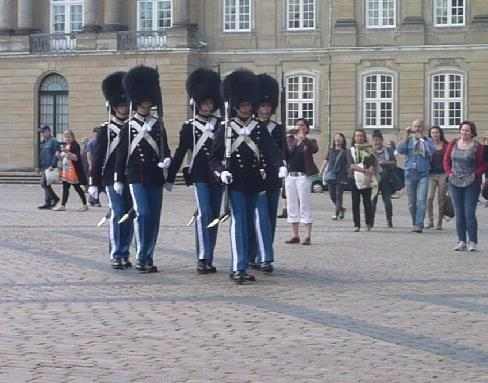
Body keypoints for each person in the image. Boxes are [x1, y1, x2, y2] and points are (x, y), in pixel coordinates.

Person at [210, 69, 281, 284]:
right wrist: (221, 172)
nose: (246, 109)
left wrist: (281, 165)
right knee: (239, 223)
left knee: (249, 223)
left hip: (255, 181)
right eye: (243, 105)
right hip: (236, 181)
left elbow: (272, 152)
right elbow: (214, 158)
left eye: (249, 105)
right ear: (236, 105)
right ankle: (238, 267)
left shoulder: (258, 128)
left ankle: (244, 263)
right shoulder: (226, 129)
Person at [115, 65, 172, 273]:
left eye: (149, 101)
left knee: (154, 218)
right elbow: (121, 154)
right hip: (135, 175)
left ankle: (148, 255)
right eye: (144, 101)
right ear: (137, 102)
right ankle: (140, 255)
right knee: (143, 213)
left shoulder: (158, 124)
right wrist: (118, 178)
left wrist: (167, 160)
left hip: (155, 175)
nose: (147, 104)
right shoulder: (128, 127)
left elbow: (166, 149)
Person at [167, 68, 223, 275]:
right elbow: (181, 152)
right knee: (204, 213)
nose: (207, 107)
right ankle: (202, 256)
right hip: (199, 174)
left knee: (214, 216)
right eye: (204, 103)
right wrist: (170, 177)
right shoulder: (189, 127)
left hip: (217, 175)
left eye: (210, 103)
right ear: (197, 104)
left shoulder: (221, 125)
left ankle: (209, 256)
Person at [89, 71, 133, 270]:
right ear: (113, 107)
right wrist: (93, 182)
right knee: (117, 213)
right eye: (120, 106)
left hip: (131, 176)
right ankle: (116, 253)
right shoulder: (106, 130)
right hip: (110, 178)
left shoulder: (134, 127)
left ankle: (125, 251)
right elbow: (98, 159)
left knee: (130, 214)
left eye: (125, 105)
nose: (123, 109)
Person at [249, 73, 287, 273]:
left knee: (270, 219)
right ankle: (262, 256)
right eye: (262, 106)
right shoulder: (251, 128)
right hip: (255, 178)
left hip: (273, 178)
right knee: (260, 217)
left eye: (268, 106)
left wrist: (283, 166)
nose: (265, 109)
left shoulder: (277, 128)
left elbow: (282, 152)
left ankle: (260, 253)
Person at [444, 121, 488, 252]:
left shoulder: (478, 147)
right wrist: (449, 173)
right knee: (459, 213)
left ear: (472, 132)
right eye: (463, 130)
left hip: (471, 182)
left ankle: (472, 241)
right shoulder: (453, 144)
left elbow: (484, 164)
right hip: (454, 181)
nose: (464, 133)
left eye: (467, 131)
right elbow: (446, 160)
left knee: (469, 213)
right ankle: (461, 240)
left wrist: (476, 174)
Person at [397, 120, 435, 233]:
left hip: (423, 173)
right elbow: (400, 150)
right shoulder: (408, 140)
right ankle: (414, 222)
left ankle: (419, 224)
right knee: (411, 202)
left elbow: (431, 151)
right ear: (412, 128)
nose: (417, 128)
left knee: (421, 200)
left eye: (419, 127)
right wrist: (406, 135)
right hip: (410, 174)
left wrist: (422, 139)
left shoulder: (428, 140)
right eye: (415, 126)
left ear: (423, 128)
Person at [284, 118, 319, 245]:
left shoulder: (310, 141)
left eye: (302, 125)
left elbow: (315, 149)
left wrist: (304, 139)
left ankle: (307, 235)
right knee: (291, 204)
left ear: (306, 128)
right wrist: (292, 139)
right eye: (298, 125)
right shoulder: (291, 141)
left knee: (305, 203)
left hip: (303, 176)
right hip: (290, 175)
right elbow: (286, 155)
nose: (299, 127)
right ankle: (295, 234)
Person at [53, 130, 89, 211]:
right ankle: (63, 205)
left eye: (69, 137)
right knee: (65, 188)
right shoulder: (67, 145)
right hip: (66, 170)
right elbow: (63, 157)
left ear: (72, 137)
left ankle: (85, 204)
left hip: (73, 171)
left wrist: (67, 152)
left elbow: (76, 158)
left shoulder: (75, 145)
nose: (67, 138)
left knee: (77, 188)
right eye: (65, 137)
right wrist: (58, 156)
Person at [349, 129, 376, 232]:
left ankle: (368, 223)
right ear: (354, 138)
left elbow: (372, 163)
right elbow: (351, 165)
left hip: (366, 179)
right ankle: (356, 224)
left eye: (361, 136)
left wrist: (370, 172)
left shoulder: (368, 150)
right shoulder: (350, 150)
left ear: (364, 137)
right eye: (357, 136)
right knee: (355, 202)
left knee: (367, 202)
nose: (359, 138)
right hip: (354, 178)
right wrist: (364, 170)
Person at [321, 133, 349, 220]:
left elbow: (349, 163)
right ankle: (341, 209)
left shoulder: (346, 151)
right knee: (332, 196)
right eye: (336, 138)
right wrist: (321, 172)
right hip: (331, 176)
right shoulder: (331, 150)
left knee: (338, 195)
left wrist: (347, 172)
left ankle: (336, 213)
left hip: (341, 176)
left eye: (340, 138)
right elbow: (325, 161)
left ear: (343, 140)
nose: (338, 139)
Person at [371, 130, 396, 228]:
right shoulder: (370, 151)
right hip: (374, 179)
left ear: (382, 140)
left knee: (387, 201)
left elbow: (394, 163)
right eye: (375, 140)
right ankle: (371, 220)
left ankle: (389, 220)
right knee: (373, 201)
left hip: (386, 178)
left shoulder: (388, 150)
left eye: (378, 140)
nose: (377, 142)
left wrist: (384, 162)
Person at [427, 126, 448, 230]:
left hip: (443, 174)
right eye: (433, 133)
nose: (435, 135)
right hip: (431, 174)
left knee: (441, 199)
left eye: (437, 132)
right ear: (430, 134)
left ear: (440, 134)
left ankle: (439, 222)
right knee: (429, 198)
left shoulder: (446, 145)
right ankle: (430, 221)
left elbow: (449, 160)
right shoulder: (427, 145)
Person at [38, 125, 60, 209]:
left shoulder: (53, 141)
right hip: (44, 166)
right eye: (42, 132)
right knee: (46, 184)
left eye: (44, 132)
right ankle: (48, 202)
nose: (42, 134)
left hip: (50, 166)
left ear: (48, 131)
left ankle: (55, 198)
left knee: (44, 183)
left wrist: (53, 165)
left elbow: (56, 154)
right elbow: (42, 154)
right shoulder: (44, 142)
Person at [85, 127, 102, 207]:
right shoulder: (91, 142)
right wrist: (90, 165)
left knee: (96, 184)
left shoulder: (100, 142)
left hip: (99, 165)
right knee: (94, 183)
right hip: (94, 165)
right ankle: (94, 200)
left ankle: (93, 200)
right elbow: (88, 154)